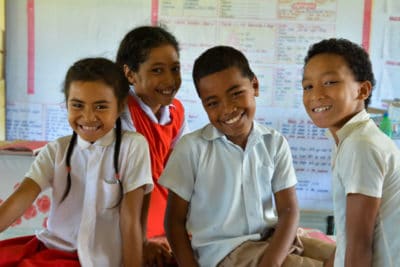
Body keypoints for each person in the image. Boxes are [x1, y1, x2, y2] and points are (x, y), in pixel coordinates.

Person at [159, 45, 334, 267]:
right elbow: (174, 222)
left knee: (345, 256)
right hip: (225, 253)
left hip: (270, 239)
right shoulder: (192, 148)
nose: (227, 109)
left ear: (255, 86)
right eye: (213, 103)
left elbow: (288, 210)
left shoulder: (274, 142)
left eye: (236, 94)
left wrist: (271, 261)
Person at [0, 58, 153, 266]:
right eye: (77, 105)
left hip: (102, 260)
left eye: (101, 106)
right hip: (53, 253)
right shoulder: (56, 150)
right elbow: (21, 198)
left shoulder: (132, 146)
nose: (88, 117)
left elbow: (130, 220)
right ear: (66, 104)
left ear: (120, 106)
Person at [302, 38, 400, 267]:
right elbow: (348, 241)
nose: (316, 94)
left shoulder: (361, 145)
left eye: (329, 82)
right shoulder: (353, 139)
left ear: (362, 90)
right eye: (308, 86)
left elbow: (359, 246)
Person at [116, 25, 188, 266]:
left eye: (175, 69)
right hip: (132, 226)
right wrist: (140, 243)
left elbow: (180, 172)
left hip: (166, 223)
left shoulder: (176, 110)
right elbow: (124, 187)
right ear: (130, 74)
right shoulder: (121, 111)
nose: (170, 80)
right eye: (157, 70)